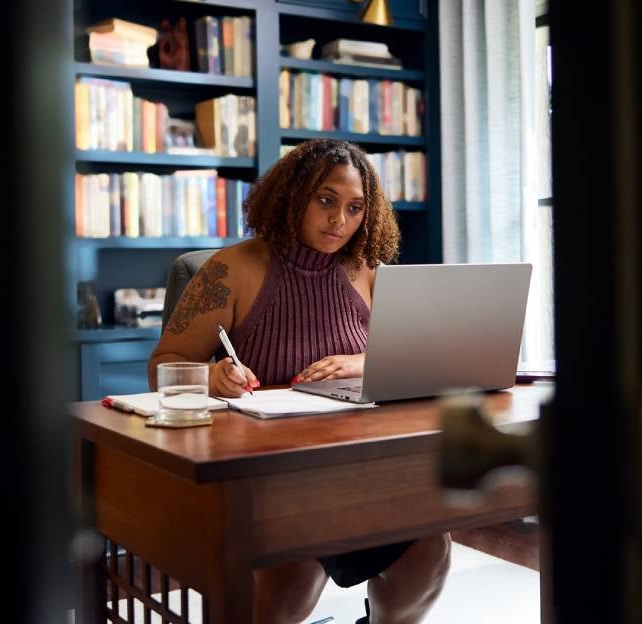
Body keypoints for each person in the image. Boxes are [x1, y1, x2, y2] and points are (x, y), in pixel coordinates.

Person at [148, 139, 451, 624]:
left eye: (355, 209)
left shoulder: (367, 274)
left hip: (357, 464)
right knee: (292, 575)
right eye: (326, 200)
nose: (339, 221)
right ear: (292, 195)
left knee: (429, 547)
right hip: (270, 475)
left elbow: (409, 361)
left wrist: (363, 361)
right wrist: (213, 374)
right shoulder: (230, 269)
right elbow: (165, 363)